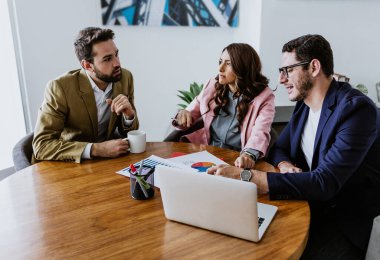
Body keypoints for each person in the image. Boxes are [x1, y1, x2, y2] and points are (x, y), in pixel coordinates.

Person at [207, 34, 380, 259]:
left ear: (314, 67)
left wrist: (247, 176)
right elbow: (279, 148)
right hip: (304, 203)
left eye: (287, 70)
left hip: (342, 220)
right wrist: (285, 164)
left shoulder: (356, 111)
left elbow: (324, 182)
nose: (281, 79)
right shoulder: (305, 104)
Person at [32, 27, 139, 163]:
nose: (117, 63)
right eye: (107, 59)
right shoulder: (60, 88)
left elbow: (130, 132)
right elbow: (42, 145)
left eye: (116, 54)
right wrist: (96, 149)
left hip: (106, 163)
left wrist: (129, 116)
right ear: (87, 65)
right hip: (67, 165)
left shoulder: (125, 77)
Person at [173, 43, 275, 169]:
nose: (220, 68)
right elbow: (192, 110)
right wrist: (183, 114)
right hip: (205, 152)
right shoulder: (212, 85)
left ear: (243, 67)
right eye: (220, 61)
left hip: (236, 161)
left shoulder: (264, 97)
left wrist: (248, 155)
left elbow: (260, 132)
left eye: (228, 63)